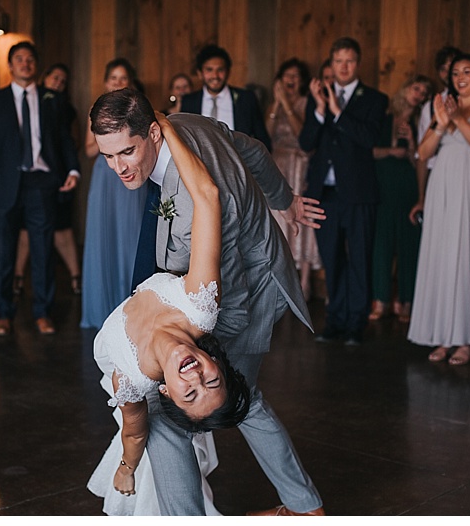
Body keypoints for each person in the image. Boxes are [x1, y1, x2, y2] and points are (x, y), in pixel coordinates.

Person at [92, 88, 326, 516]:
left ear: (153, 135)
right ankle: (305, 506)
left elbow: (214, 266)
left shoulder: (189, 220)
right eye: (107, 156)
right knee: (236, 397)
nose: (118, 168)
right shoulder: (187, 124)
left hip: (244, 298)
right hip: (251, 275)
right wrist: (284, 199)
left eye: (127, 151)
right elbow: (250, 150)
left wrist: (204, 333)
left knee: (174, 418)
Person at [86, 110, 235, 515]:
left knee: (145, 455)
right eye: (212, 379)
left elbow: (133, 434)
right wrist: (165, 130)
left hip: (120, 375)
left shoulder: (131, 381)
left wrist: (125, 470)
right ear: (213, 360)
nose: (196, 378)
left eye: (191, 392)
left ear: (166, 390)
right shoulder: (201, 305)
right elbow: (207, 196)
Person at [408, 53, 470, 365]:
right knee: (443, 256)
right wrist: (440, 124)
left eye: (467, 71)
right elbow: (421, 153)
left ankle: (467, 340)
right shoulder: (442, 106)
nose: (460, 78)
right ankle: (442, 334)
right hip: (444, 188)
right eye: (455, 74)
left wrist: (458, 119)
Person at [0, 41, 80, 336]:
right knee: (4, 252)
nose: (25, 63)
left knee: (43, 250)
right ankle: (4, 314)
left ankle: (43, 312)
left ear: (35, 65)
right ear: (10, 66)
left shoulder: (52, 98)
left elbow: (63, 139)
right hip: (6, 184)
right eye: (19, 59)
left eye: (30, 59)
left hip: (42, 182)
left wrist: (73, 169)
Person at [300, 37, 389, 345]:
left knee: (360, 258)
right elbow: (306, 143)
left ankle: (356, 323)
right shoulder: (318, 97)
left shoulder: (375, 98)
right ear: (332, 63)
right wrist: (322, 111)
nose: (344, 67)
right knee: (332, 258)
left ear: (358, 64)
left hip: (360, 193)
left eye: (349, 61)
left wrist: (338, 112)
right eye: (338, 61)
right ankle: (335, 320)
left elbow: (368, 138)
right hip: (324, 192)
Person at [81, 58, 149, 329]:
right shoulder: (94, 112)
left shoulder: (138, 111)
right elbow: (88, 149)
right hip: (105, 179)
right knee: (104, 239)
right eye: (114, 78)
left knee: (132, 239)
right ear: (105, 82)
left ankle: (134, 308)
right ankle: (104, 309)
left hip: (133, 176)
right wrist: (112, 147)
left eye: (123, 78)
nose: (118, 83)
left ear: (130, 83)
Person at [367, 75, 430, 322]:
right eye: (417, 88)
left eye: (424, 92)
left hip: (408, 186)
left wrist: (413, 143)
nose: (419, 95)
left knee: (409, 245)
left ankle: (406, 301)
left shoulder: (420, 121)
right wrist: (391, 150)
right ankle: (380, 300)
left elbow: (422, 161)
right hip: (383, 185)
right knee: (381, 245)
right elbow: (367, 151)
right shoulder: (382, 116)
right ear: (405, 89)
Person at [16, 63, 81, 299]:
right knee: (25, 229)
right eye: (55, 78)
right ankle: (18, 278)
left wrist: (70, 169)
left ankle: (75, 277)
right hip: (27, 178)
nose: (58, 83)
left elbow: (72, 141)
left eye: (63, 82)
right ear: (44, 77)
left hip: (59, 176)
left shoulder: (65, 108)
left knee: (62, 228)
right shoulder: (26, 103)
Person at [267, 58, 321, 299]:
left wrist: (288, 106)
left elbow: (303, 136)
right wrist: (277, 105)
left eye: (295, 76)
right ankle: (280, 279)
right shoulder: (275, 105)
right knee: (278, 219)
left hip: (300, 164)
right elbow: (267, 137)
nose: (290, 80)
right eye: (286, 75)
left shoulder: (307, 102)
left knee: (302, 217)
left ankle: (305, 280)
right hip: (278, 164)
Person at [180, 44, 273, 150]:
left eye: (220, 70)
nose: (215, 76)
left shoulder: (246, 99)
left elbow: (263, 140)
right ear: (200, 73)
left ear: (228, 72)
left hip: (239, 162)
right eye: (209, 70)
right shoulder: (189, 101)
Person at [416, 46, 462, 145]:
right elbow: (422, 148)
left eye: (451, 67)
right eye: (443, 69)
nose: (447, 73)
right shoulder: (431, 106)